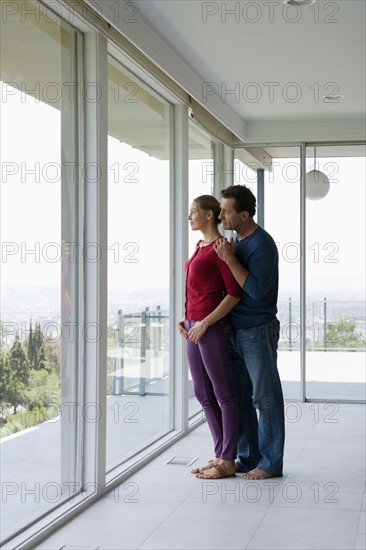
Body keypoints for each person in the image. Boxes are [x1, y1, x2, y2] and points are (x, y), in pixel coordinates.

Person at [214, 184, 285, 480]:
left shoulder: (262, 244)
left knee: (264, 398)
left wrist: (230, 260)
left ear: (244, 214)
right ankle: (248, 457)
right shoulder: (235, 241)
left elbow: (256, 291)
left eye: (226, 210)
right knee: (240, 396)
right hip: (234, 331)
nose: (220, 216)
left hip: (257, 331)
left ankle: (270, 463)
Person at [177, 195, 242, 479]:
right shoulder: (199, 247)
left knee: (223, 395)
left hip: (211, 328)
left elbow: (234, 293)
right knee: (203, 394)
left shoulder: (220, 248)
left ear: (208, 215)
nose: (189, 217)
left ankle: (229, 460)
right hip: (194, 326)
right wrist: (186, 319)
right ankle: (219, 455)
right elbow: (197, 290)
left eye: (193, 212)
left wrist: (203, 322)